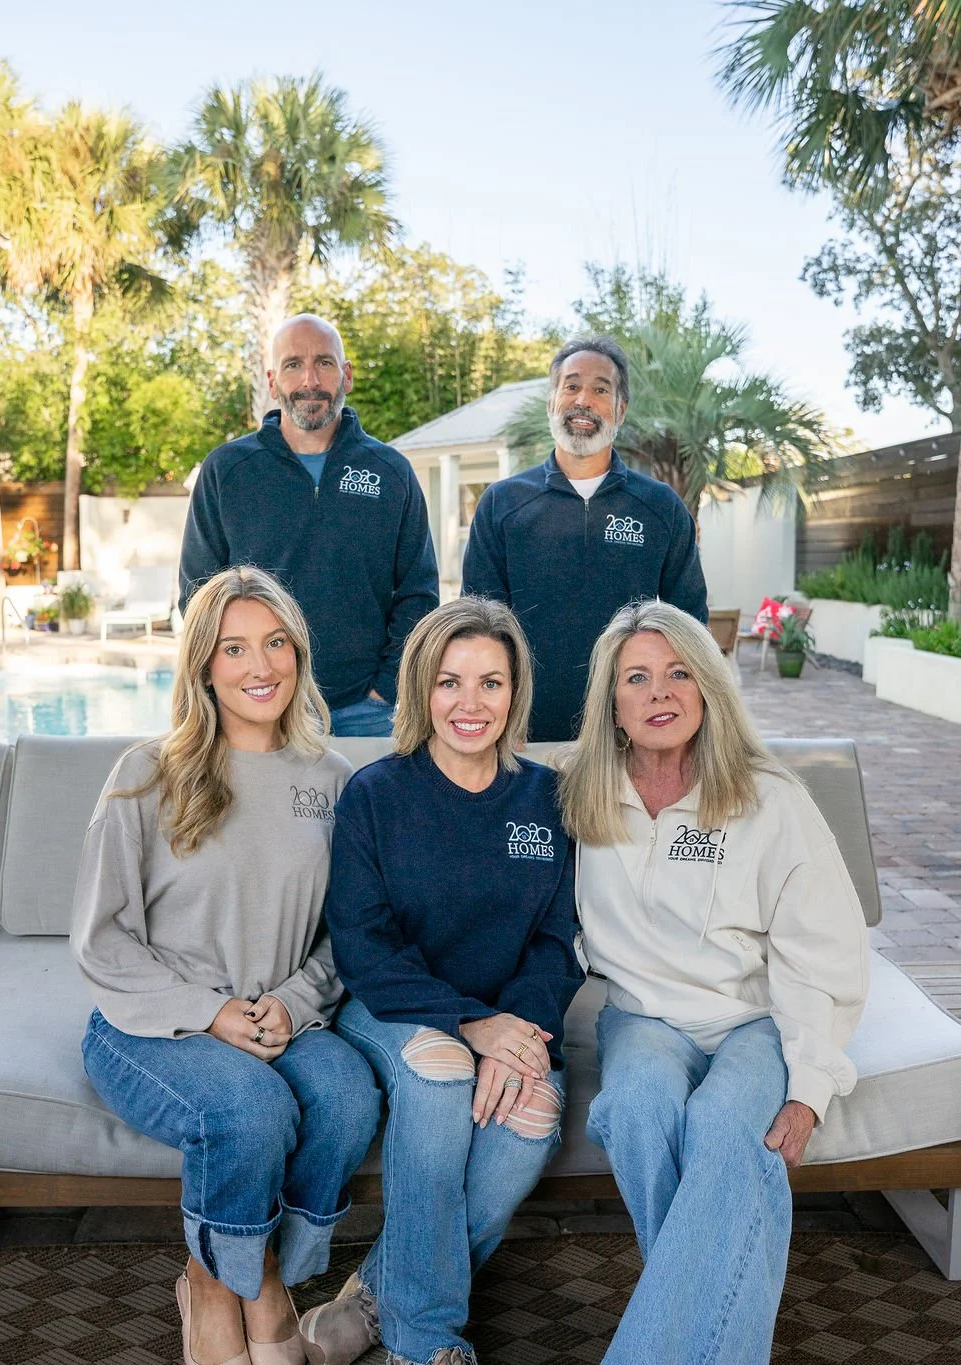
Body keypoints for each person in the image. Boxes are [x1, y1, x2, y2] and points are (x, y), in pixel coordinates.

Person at [72, 565, 381, 1365]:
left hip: (279, 1014)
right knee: (250, 1109)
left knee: (348, 1096)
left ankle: (251, 1265)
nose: (260, 666)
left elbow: (348, 932)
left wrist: (295, 1000)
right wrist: (207, 1012)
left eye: (276, 642)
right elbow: (102, 937)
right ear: (204, 665)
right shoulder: (147, 771)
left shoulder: (333, 780)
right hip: (155, 1020)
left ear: (299, 653)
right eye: (234, 648)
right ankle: (231, 1283)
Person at [558, 599, 869, 1365]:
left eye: (678, 672)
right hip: (639, 1016)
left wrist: (809, 1083)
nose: (659, 691)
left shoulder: (770, 797)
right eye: (636, 677)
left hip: (752, 1018)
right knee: (636, 1107)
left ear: (708, 686)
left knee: (729, 1129)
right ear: (612, 703)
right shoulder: (576, 793)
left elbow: (819, 950)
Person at [301, 597, 584, 1365]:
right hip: (394, 1007)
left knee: (531, 1115)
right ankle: (424, 1340)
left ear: (515, 691)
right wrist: (469, 1023)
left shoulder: (546, 798)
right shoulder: (376, 793)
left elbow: (558, 940)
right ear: (421, 687)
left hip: (507, 1014)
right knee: (440, 1071)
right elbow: (364, 946)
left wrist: (514, 1030)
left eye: (491, 682)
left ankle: (374, 1295)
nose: (470, 703)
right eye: (450, 681)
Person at [179, 314, 440, 737]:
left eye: (324, 363)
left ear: (346, 375)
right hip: (259, 704)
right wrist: (237, 683)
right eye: (293, 365)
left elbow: (419, 593)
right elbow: (198, 595)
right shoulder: (227, 471)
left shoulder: (390, 472)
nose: (310, 380)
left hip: (366, 712)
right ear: (272, 381)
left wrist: (387, 688)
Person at [461, 335, 708, 742]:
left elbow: (690, 624)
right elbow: (478, 626)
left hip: (629, 733)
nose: (583, 400)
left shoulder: (660, 507)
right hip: (523, 733)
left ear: (621, 409)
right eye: (571, 386)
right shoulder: (502, 503)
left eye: (600, 389)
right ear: (551, 402)